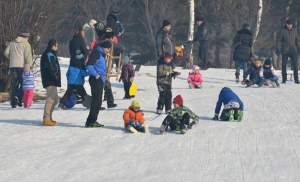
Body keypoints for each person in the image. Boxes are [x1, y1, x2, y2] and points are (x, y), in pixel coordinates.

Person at [58, 28, 90, 110]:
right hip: (79, 63)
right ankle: (89, 103)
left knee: (69, 91)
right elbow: (85, 52)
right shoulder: (81, 41)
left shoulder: (71, 41)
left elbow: (71, 53)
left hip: (72, 63)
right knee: (82, 91)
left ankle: (61, 103)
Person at [85, 41, 112, 127]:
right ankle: (92, 121)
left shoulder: (102, 54)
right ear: (103, 47)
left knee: (97, 101)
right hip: (95, 80)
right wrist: (96, 75)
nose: (108, 51)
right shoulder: (96, 53)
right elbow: (89, 65)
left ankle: (90, 121)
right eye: (108, 49)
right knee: (97, 101)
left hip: (100, 80)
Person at [4, 32, 32, 108]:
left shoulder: (12, 42)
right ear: (25, 37)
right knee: (23, 83)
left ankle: (13, 102)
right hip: (21, 65)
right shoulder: (26, 43)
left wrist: (11, 58)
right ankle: (18, 96)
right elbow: (28, 56)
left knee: (15, 83)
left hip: (12, 65)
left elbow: (6, 52)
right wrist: (30, 65)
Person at [40, 39, 61, 126]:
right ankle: (46, 118)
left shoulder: (51, 54)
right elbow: (52, 69)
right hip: (50, 80)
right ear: (53, 46)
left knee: (55, 100)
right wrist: (56, 78)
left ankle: (49, 117)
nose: (57, 47)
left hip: (52, 80)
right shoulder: (49, 54)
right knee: (51, 99)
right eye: (57, 46)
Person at [276, 18, 300, 84]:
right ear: (286, 24)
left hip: (293, 50)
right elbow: (279, 40)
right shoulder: (282, 31)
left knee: (295, 65)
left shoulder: (294, 31)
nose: (289, 26)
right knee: (284, 65)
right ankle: (284, 79)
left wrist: (299, 47)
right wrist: (278, 48)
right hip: (285, 50)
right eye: (288, 24)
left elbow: (297, 40)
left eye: (290, 24)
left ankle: (296, 79)